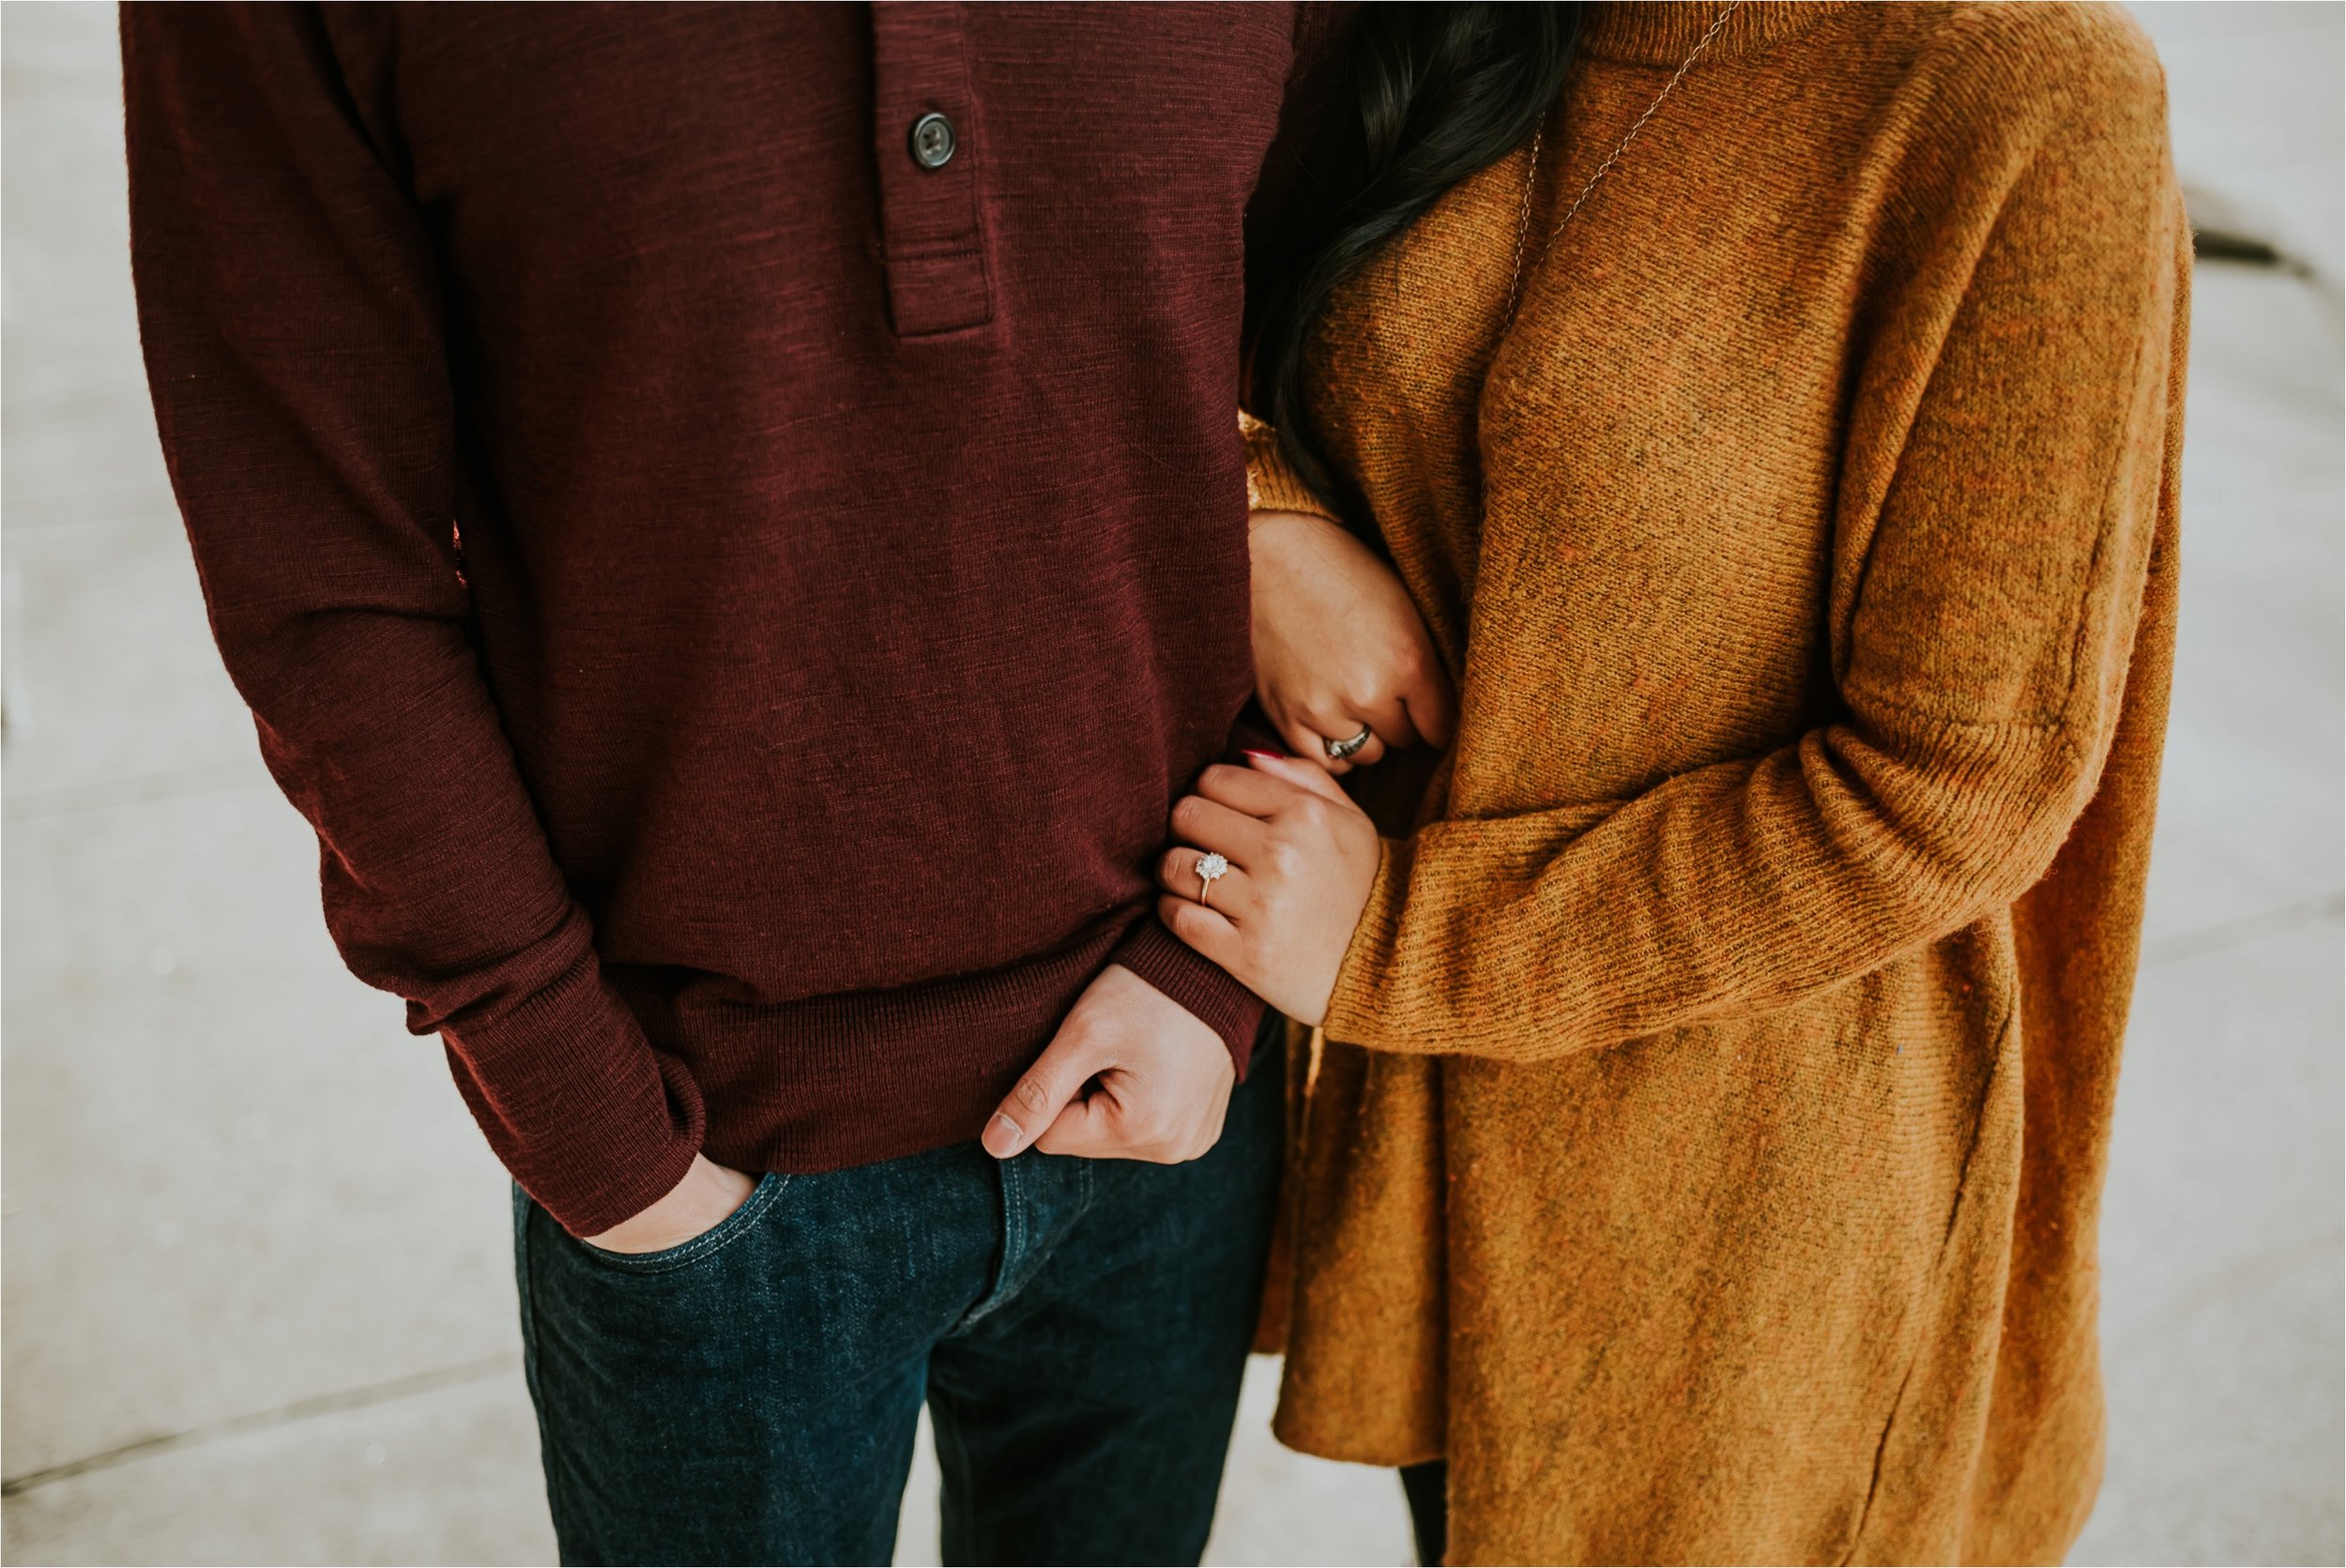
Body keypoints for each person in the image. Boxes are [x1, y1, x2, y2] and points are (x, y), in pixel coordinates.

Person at [118, 6, 1348, 1563]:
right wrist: (590, 1120)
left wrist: (1211, 966)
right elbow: (318, 567)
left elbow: (1349, 327)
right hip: (700, 1156)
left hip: (1167, 1087)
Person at [1165, 2, 2190, 1561]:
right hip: (1444, 1158)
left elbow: (1956, 781)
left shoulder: (2022, 86)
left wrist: (1405, 941)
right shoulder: (1440, 17)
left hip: (1745, 1221)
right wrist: (1257, 512)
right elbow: (1182, 315)